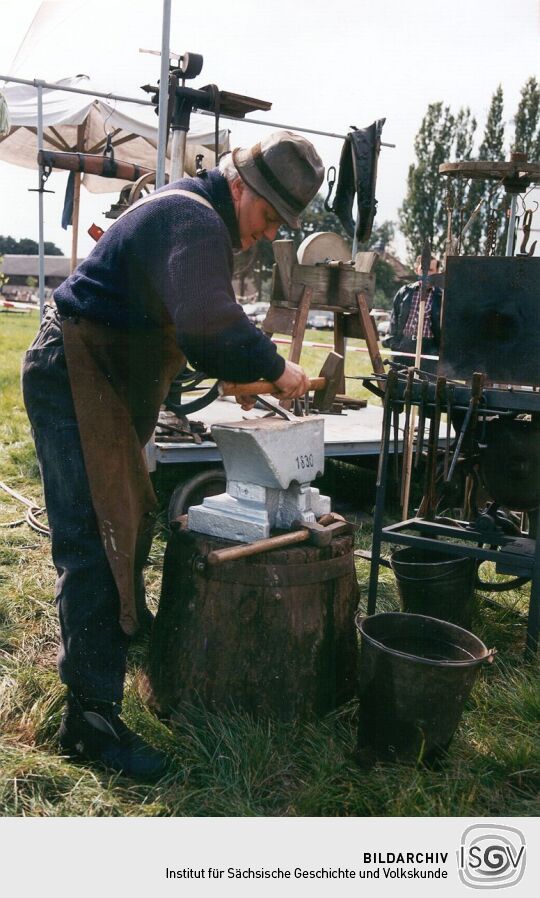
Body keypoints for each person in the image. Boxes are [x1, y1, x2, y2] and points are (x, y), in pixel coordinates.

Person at [22, 130, 324, 780]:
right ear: (241, 186)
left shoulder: (197, 217)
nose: (264, 233)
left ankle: (118, 640)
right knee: (97, 539)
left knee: (131, 516)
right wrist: (276, 369)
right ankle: (90, 721)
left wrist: (237, 375)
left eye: (278, 225)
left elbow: (185, 315)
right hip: (72, 370)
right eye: (267, 217)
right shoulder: (194, 217)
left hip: (98, 373)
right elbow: (205, 318)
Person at [382, 254, 442, 375]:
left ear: (437, 273)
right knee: (397, 384)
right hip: (404, 345)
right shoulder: (404, 292)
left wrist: (438, 350)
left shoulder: (441, 297)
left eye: (430, 270)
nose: (426, 273)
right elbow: (394, 319)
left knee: (427, 388)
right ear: (417, 270)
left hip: (429, 348)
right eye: (422, 269)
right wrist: (395, 344)